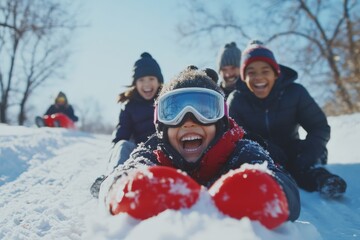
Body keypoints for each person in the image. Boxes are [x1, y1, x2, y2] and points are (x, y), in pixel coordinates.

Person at [98, 67, 300, 229]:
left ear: (221, 121)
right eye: (173, 111)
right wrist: (121, 189)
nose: (189, 121)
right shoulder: (154, 151)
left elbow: (283, 183)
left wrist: (267, 188)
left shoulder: (239, 147)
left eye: (206, 110)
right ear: (161, 126)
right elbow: (125, 173)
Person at [227, 40, 347, 199]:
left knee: (305, 165)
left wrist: (309, 153)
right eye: (251, 72)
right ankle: (267, 188)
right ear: (243, 77)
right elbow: (236, 135)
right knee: (263, 169)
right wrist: (265, 149)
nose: (259, 77)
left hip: (293, 148)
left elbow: (319, 126)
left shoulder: (295, 92)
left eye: (265, 71)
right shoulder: (236, 100)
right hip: (261, 153)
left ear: (276, 73)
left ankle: (324, 179)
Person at [90, 52, 163, 198]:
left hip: (163, 148)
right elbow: (121, 135)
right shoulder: (129, 107)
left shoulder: (165, 100)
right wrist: (117, 151)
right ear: (135, 83)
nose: (147, 84)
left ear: (159, 81)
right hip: (139, 150)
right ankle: (113, 180)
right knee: (122, 145)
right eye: (142, 79)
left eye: (151, 79)